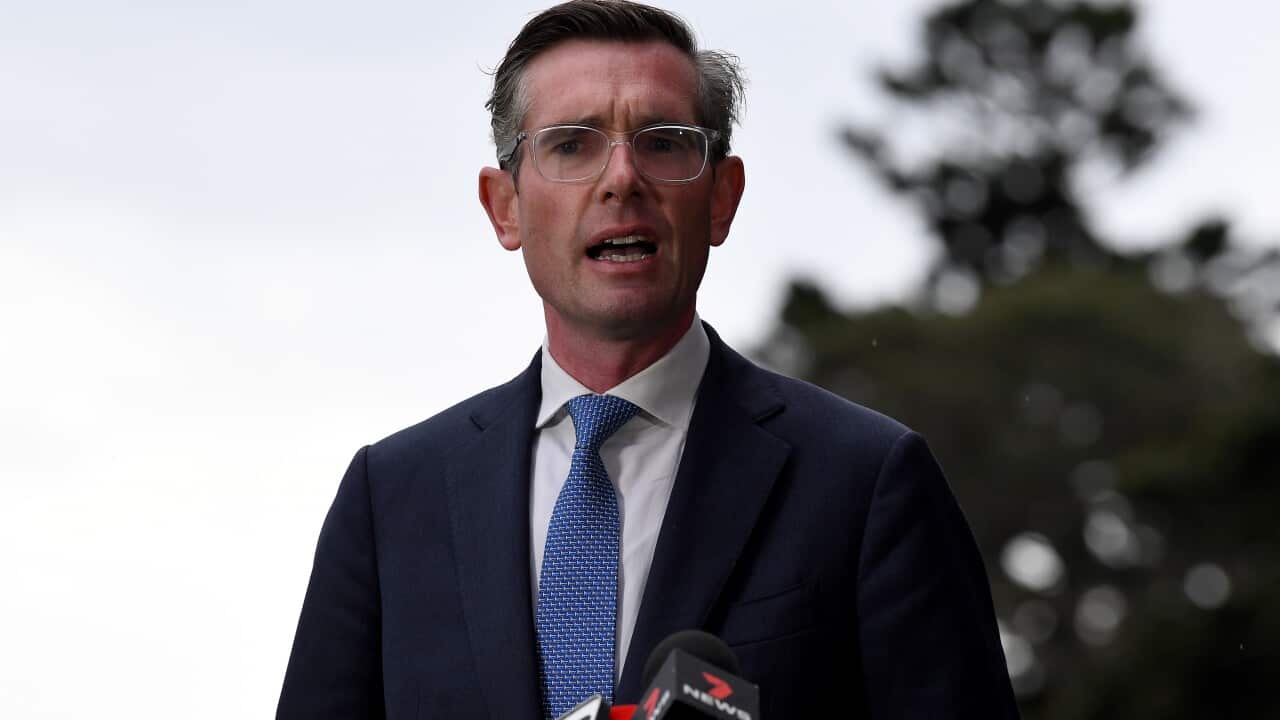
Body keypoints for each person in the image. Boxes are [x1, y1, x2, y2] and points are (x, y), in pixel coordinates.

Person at [276, 2, 1019, 718]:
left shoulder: (866, 482)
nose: (622, 177)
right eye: (572, 144)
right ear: (504, 205)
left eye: (663, 142)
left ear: (722, 198)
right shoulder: (392, 501)